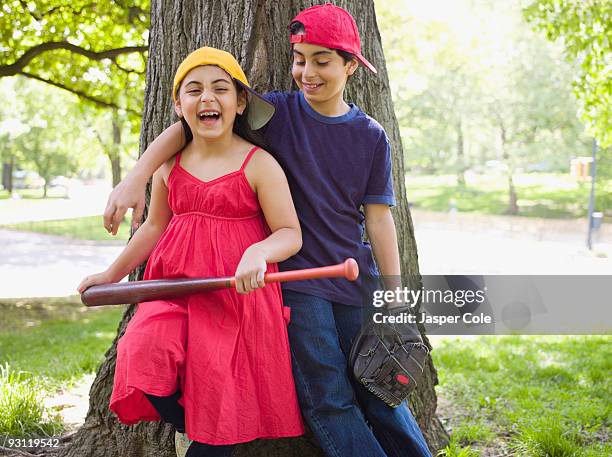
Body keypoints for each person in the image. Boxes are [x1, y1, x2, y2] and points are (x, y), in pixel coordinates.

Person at [102, 4, 432, 457]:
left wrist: (392, 291)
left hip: (355, 279)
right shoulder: (275, 112)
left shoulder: (371, 135)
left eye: (322, 61)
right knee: (328, 397)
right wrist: (137, 175)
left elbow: (378, 218)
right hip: (296, 284)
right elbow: (189, 128)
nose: (307, 72)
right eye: (300, 59)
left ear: (351, 65)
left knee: (382, 389)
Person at [78, 47, 304, 457]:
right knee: (141, 350)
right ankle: (196, 419)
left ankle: (213, 429)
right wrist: (111, 275)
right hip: (174, 289)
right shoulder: (169, 167)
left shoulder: (259, 164)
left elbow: (290, 233)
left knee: (218, 387)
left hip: (234, 298)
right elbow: (153, 227)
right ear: (178, 105)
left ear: (239, 103)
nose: (207, 98)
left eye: (221, 89)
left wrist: (258, 251)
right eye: (194, 90)